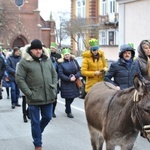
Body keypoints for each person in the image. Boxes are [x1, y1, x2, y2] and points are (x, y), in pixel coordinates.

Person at [15, 39, 57, 150]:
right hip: (33, 97)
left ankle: (38, 132)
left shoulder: (47, 60)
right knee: (35, 122)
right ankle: (38, 143)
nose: (38, 51)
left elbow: (54, 74)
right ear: (31, 50)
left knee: (47, 117)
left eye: (40, 49)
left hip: (48, 95)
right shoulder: (25, 62)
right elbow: (19, 78)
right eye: (36, 49)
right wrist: (28, 93)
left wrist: (54, 87)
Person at [58, 47, 80, 118]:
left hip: (74, 82)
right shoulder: (61, 64)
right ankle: (69, 111)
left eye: (68, 54)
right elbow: (61, 74)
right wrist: (69, 79)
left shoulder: (74, 61)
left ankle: (67, 106)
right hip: (66, 83)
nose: (67, 56)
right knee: (68, 97)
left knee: (73, 97)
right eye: (65, 55)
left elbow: (79, 70)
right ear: (63, 56)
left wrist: (75, 76)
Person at [50, 42, 61, 118]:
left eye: (53, 48)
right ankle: (48, 110)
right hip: (48, 79)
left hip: (55, 79)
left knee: (55, 97)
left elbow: (59, 68)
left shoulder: (58, 56)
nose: (52, 49)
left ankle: (53, 111)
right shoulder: (47, 56)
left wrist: (58, 78)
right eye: (51, 48)